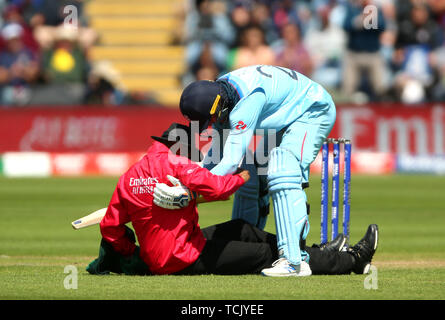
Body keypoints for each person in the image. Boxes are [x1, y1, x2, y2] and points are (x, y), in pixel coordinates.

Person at [88, 122, 379, 277]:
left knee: (243, 228)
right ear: (179, 147)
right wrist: (240, 178)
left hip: (175, 249)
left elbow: (110, 228)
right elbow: (218, 188)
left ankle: (317, 251)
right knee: (271, 257)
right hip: (184, 258)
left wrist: (133, 254)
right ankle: (351, 260)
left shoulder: (130, 176)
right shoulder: (178, 166)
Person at [152, 65, 337, 277]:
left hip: (312, 110)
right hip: (284, 113)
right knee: (248, 176)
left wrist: (188, 191)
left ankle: (294, 261)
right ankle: (246, 247)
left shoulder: (245, 102)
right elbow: (214, 162)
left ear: (218, 107)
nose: (212, 125)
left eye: (211, 119)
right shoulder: (224, 96)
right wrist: (183, 182)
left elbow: (229, 162)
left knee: (282, 166)